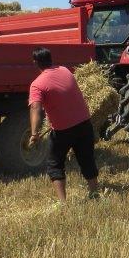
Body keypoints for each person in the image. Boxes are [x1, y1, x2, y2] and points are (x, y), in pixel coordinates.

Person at [27, 47, 100, 203]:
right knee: (87, 159)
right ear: (50, 58)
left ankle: (62, 203)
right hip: (84, 123)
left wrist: (34, 133)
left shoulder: (37, 84)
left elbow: (35, 108)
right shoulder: (65, 70)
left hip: (64, 130)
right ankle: (94, 193)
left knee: (55, 163)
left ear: (35, 63)